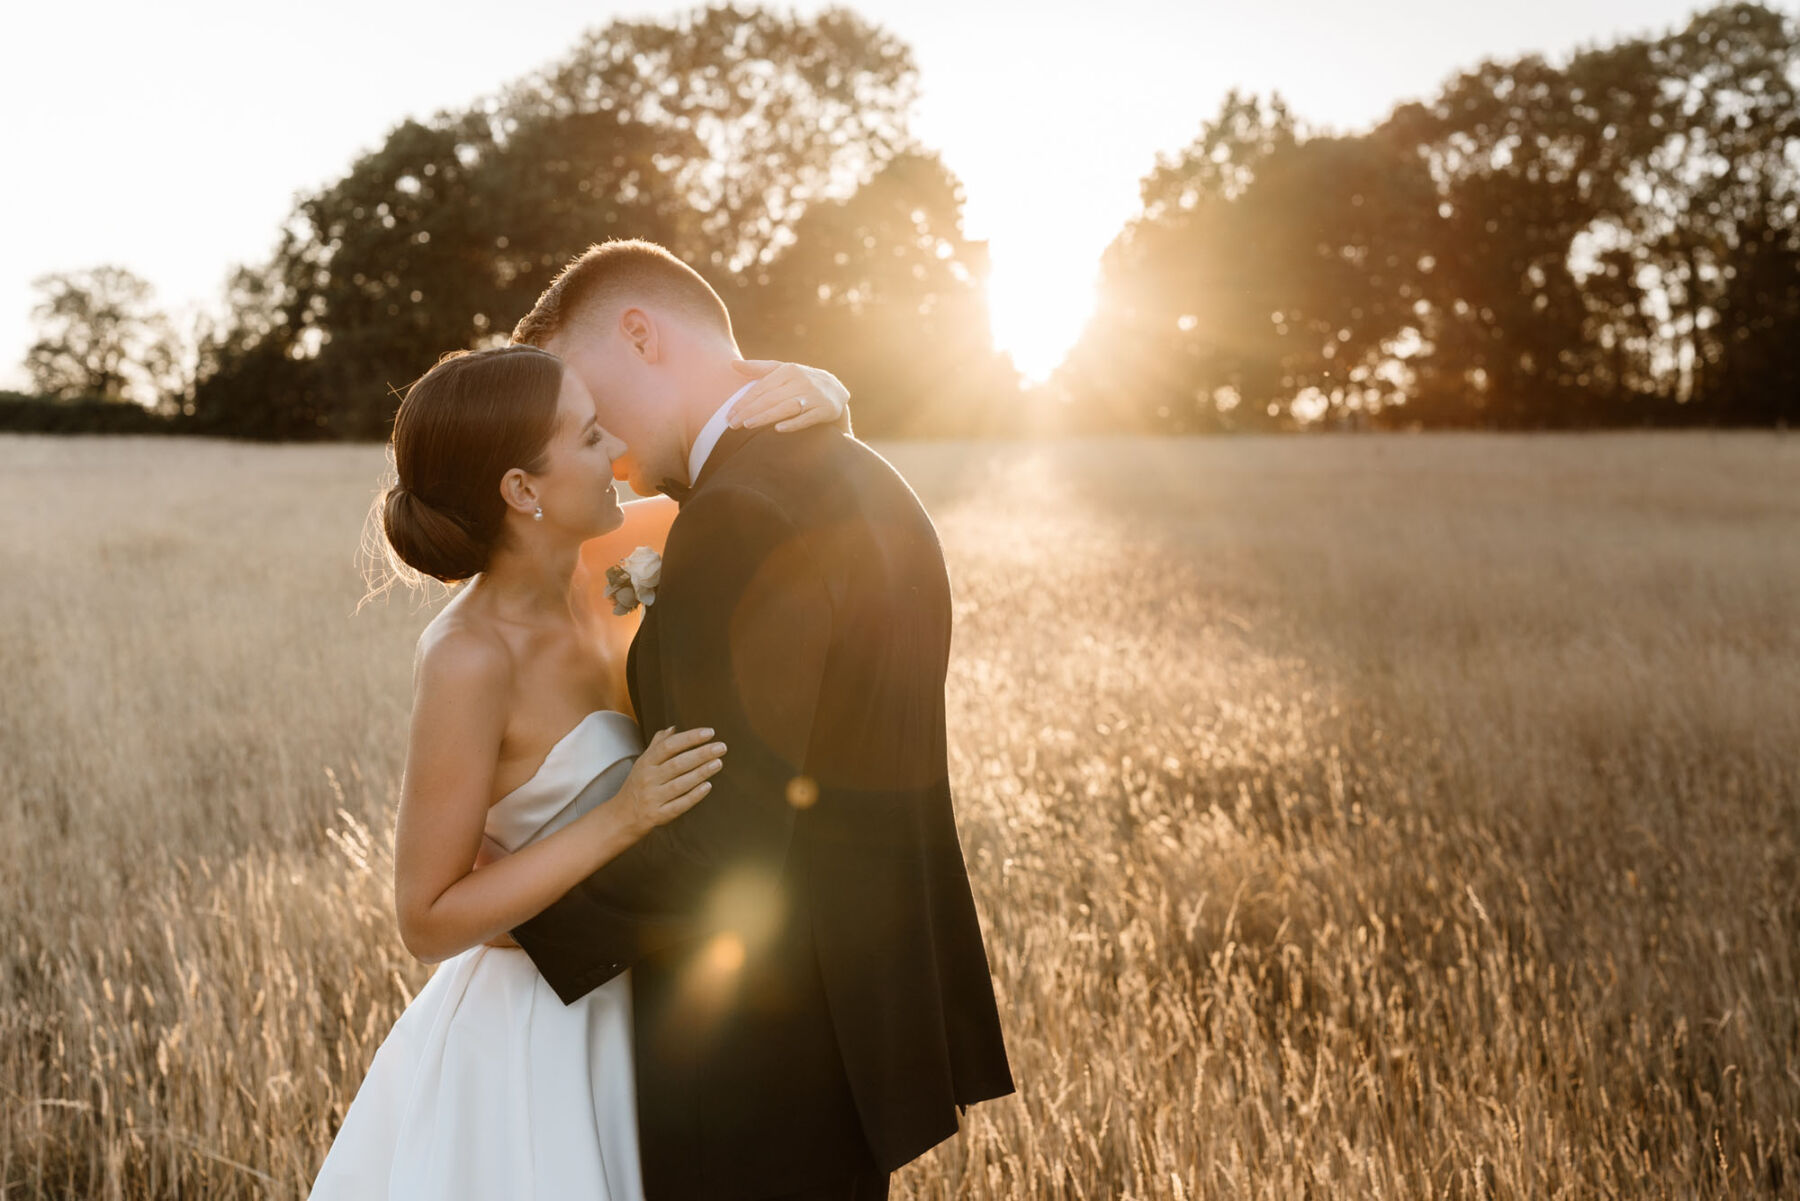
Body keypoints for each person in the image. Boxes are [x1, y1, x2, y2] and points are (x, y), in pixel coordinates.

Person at [507, 239, 1014, 1201]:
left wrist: (522, 918)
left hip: (749, 1058)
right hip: (841, 1035)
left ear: (641, 334)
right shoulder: (864, 475)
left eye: (580, 394)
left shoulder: (740, 513)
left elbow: (726, 838)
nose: (587, 431)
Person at [307, 343, 852, 1199]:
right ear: (523, 491)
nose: (620, 449)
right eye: (593, 436)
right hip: (538, 1034)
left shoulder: (630, 546)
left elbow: (789, 524)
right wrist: (622, 816)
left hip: (651, 996)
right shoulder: (467, 658)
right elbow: (427, 915)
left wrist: (826, 398)